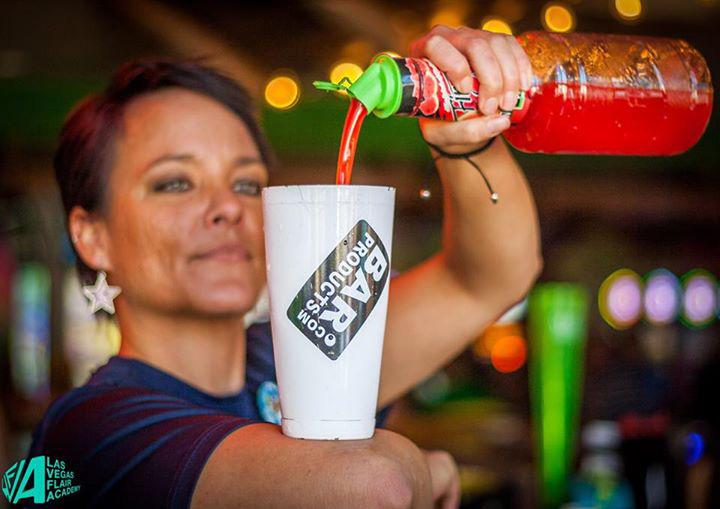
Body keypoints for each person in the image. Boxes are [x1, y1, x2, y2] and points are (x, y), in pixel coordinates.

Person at [24, 25, 541, 508]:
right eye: (175, 182)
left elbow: (490, 278)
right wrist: (429, 468)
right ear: (92, 237)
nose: (228, 207)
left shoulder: (291, 357)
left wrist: (468, 140)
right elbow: (373, 487)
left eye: (247, 183)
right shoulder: (85, 432)